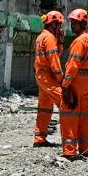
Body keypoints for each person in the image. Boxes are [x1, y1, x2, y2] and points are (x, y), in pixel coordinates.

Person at [61, 8, 88, 160]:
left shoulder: (79, 41)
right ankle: (85, 148)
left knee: (69, 114)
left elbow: (73, 65)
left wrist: (65, 85)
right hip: (85, 81)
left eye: (75, 23)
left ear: (83, 24)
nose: (72, 26)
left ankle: (69, 151)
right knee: (83, 116)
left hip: (75, 80)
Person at [33, 11, 65, 147]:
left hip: (41, 75)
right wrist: (62, 79)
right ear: (54, 24)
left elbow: (56, 53)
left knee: (45, 108)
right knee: (65, 104)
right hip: (48, 76)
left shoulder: (42, 37)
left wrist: (61, 41)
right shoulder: (50, 38)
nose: (60, 28)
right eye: (59, 25)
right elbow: (54, 60)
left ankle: (39, 139)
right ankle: (69, 139)